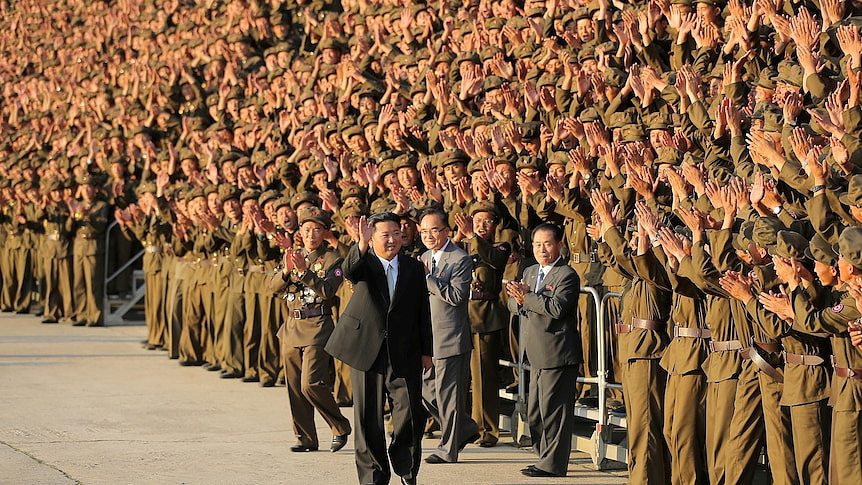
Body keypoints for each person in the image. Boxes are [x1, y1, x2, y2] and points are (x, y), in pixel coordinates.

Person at [325, 212, 432, 485]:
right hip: (366, 350)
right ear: (372, 238)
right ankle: (374, 475)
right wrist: (359, 245)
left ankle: (406, 467)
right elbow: (348, 271)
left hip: (404, 350)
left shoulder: (414, 267)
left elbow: (423, 311)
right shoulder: (363, 263)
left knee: (409, 413)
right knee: (367, 419)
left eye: (396, 233)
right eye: (385, 235)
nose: (392, 240)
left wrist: (426, 351)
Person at [269, 206, 351, 453]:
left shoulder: (333, 259)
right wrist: (286, 270)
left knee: (310, 383)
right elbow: (273, 288)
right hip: (293, 326)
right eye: (306, 230)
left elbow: (327, 291)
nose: (311, 235)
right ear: (300, 233)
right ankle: (305, 437)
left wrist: (304, 272)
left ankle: (340, 426)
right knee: (294, 386)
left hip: (318, 326)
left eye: (317, 230)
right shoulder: (293, 255)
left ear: (325, 232)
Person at [506, 223, 581, 478]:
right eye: (538, 244)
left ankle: (553, 465)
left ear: (560, 244)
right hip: (533, 352)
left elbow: (558, 308)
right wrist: (520, 300)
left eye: (548, 243)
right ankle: (543, 457)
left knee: (554, 412)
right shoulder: (528, 271)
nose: (542, 249)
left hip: (557, 352)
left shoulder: (566, 274)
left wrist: (526, 298)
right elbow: (511, 302)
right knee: (535, 412)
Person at [417, 208, 479, 464]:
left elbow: (456, 297)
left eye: (434, 230)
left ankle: (448, 449)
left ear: (447, 231)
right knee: (425, 392)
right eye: (423, 231)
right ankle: (464, 428)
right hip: (429, 338)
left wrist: (429, 278)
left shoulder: (460, 259)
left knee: (449, 397)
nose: (429, 236)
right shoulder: (424, 257)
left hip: (451, 338)